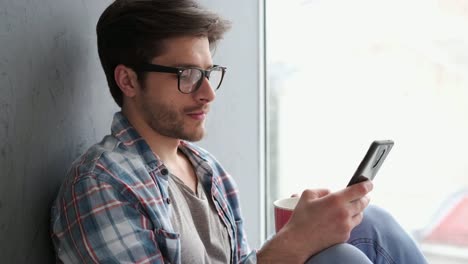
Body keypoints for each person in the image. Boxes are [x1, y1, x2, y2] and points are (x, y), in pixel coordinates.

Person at [50, 0, 428, 263]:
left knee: (370, 225)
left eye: (209, 73)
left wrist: (304, 229)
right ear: (128, 81)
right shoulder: (100, 185)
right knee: (341, 256)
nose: (208, 93)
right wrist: (293, 243)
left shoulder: (207, 170)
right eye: (186, 75)